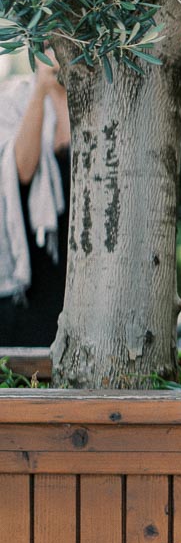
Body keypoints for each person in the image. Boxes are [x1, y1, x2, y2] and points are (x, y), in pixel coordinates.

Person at [0, 53, 71, 346]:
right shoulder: (15, 100)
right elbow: (22, 170)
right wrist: (41, 90)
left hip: (77, 268)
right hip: (30, 272)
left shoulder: (97, 103)